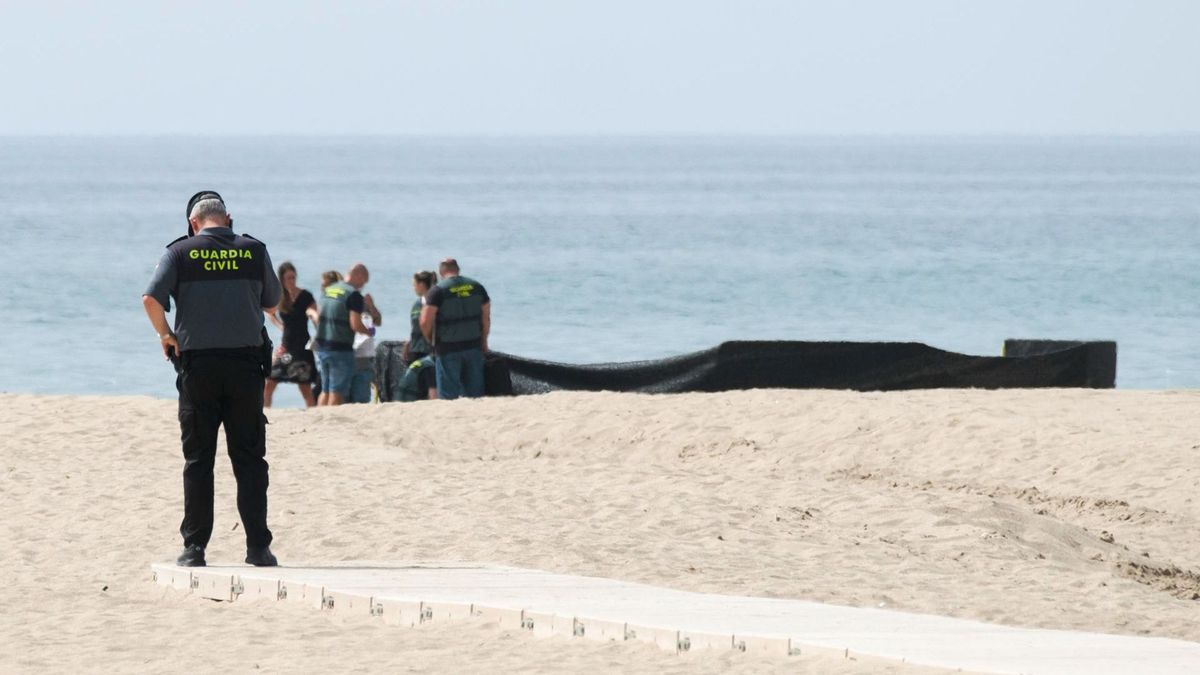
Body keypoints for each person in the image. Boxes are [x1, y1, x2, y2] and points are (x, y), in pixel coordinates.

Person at [141, 190, 279, 568]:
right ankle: (258, 548)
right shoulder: (253, 250)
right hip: (245, 368)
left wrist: (165, 336)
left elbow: (150, 299)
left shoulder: (179, 253)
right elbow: (272, 302)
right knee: (250, 458)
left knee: (199, 459)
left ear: (193, 223)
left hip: (198, 369)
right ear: (228, 218)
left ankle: (195, 548)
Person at [420, 258, 491, 400]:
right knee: (475, 394)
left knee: (448, 396)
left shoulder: (437, 291)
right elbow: (486, 319)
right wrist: (484, 340)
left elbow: (424, 321)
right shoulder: (477, 287)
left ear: (441, 272)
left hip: (448, 348)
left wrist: (430, 340)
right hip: (473, 345)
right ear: (458, 269)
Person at [312, 268, 373, 406]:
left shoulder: (329, 290)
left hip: (322, 346)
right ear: (358, 275)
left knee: (325, 389)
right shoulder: (353, 294)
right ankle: (332, 421)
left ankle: (321, 419)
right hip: (340, 348)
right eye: (364, 281)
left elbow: (319, 316)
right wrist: (368, 332)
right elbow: (355, 324)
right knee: (336, 391)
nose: (363, 285)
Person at [263, 262, 317, 407]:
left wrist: (314, 318)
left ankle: (313, 413)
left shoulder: (305, 295)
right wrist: (280, 326)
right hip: (286, 346)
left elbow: (314, 313)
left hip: (302, 346)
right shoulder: (279, 296)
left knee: (304, 387)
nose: (292, 281)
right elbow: (269, 312)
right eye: (289, 278)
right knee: (270, 382)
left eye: (294, 277)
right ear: (282, 279)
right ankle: (265, 414)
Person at [346, 263, 382, 404]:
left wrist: (371, 306)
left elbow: (378, 321)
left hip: (365, 354)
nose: (363, 285)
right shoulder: (347, 296)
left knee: (361, 396)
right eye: (363, 281)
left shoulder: (362, 300)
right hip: (350, 351)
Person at [402, 270, 435, 363]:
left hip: (430, 351)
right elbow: (415, 326)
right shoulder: (417, 304)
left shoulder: (435, 303)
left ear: (421, 285)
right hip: (416, 349)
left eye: (414, 285)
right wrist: (409, 342)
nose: (413, 288)